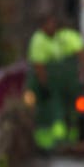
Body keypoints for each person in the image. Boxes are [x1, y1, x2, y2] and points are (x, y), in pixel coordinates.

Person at [26, 14, 67, 153]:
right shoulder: (39, 40)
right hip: (42, 84)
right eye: (51, 24)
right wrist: (44, 85)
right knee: (44, 116)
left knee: (52, 114)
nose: (54, 27)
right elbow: (39, 65)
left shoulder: (52, 39)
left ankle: (52, 144)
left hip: (51, 84)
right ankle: (43, 145)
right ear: (43, 25)